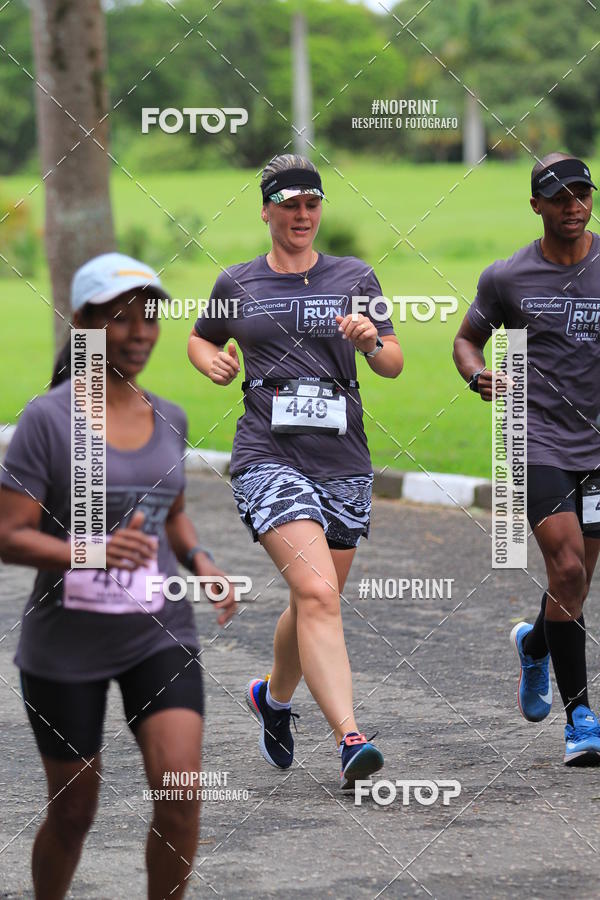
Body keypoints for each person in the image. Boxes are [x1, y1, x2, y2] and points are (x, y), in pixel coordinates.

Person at [0, 252, 237, 899]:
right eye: (120, 317)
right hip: (65, 644)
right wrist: (91, 551)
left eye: (150, 316)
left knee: (181, 791)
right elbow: (7, 536)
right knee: (75, 813)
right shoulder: (47, 420)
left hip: (156, 631)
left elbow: (173, 514)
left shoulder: (170, 416)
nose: (139, 332)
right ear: (84, 322)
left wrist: (202, 562)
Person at [188, 153, 403, 789]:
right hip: (266, 455)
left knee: (315, 599)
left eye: (312, 204)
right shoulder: (238, 283)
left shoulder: (354, 275)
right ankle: (350, 737)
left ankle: (273, 700)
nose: (302, 216)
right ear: (266, 211)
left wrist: (370, 340)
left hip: (343, 460)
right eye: (290, 205)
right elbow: (200, 336)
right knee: (316, 594)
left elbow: (392, 363)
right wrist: (210, 362)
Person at [453, 152, 600, 766]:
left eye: (582, 195)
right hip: (534, 435)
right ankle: (582, 720)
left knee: (578, 582)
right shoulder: (507, 277)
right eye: (559, 197)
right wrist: (478, 374)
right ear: (536, 205)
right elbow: (465, 339)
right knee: (565, 571)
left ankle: (534, 642)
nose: (572, 206)